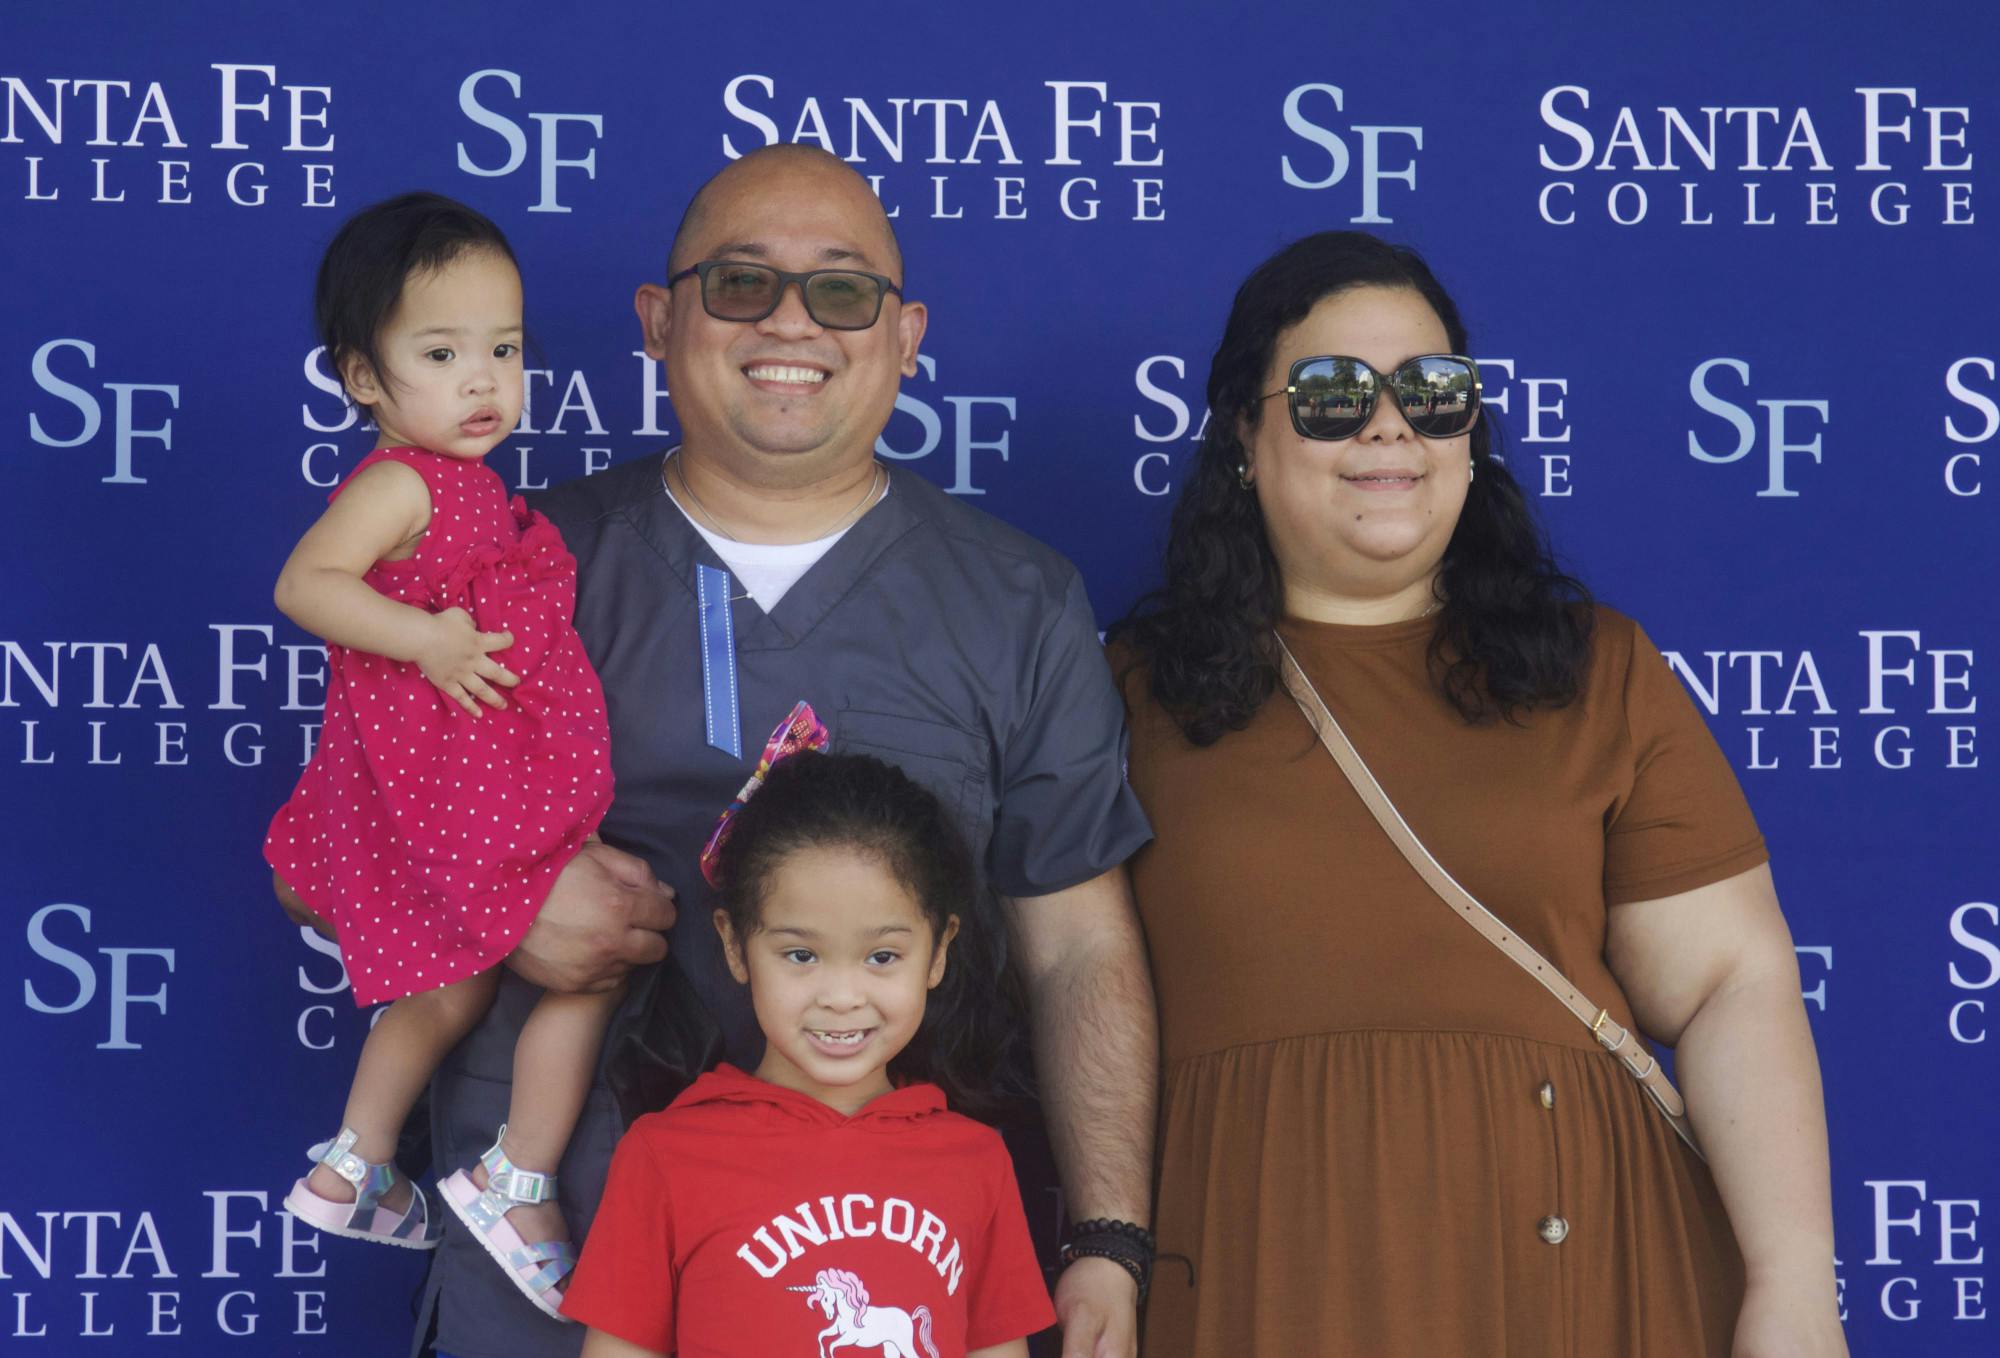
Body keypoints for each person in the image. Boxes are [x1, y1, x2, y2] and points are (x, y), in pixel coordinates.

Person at [282, 145, 1157, 1358]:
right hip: (556, 1259)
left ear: (905, 335)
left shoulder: (1015, 599)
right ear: (657, 320)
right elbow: (311, 858)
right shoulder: (509, 558)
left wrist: (1107, 1235)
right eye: (740, 281)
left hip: (883, 1262)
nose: (791, 319)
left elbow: (1077, 948)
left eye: (841, 291)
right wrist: (504, 896)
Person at [1110, 231, 1847, 1356]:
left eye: (1432, 391)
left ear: (1471, 434)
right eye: (1328, 393)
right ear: (1242, 442)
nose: (1388, 423)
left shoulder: (1594, 669)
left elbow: (1728, 983)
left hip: (1588, 1272)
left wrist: (1792, 1288)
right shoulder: (1122, 692)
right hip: (1257, 1271)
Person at [266, 191, 618, 1321]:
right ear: (361, 376)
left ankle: (358, 1160)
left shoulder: (464, 484)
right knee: (591, 951)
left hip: (470, 786)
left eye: (504, 350)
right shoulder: (400, 482)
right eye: (440, 351)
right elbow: (304, 583)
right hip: (457, 798)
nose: (483, 380)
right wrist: (427, 637)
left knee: (452, 991)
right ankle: (513, 1175)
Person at [563, 737, 1056, 1358]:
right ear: (737, 947)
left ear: (939, 952)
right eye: (801, 954)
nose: (842, 996)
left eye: (882, 956)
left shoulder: (978, 1162)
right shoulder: (664, 1157)